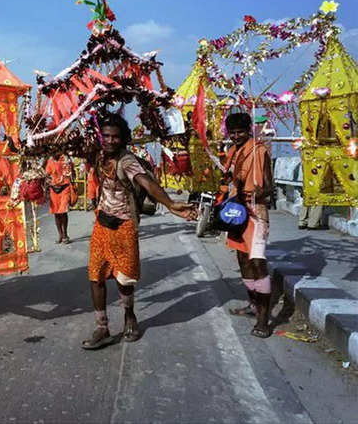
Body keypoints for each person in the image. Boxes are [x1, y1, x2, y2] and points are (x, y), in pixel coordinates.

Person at [82, 114, 196, 350]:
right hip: (101, 225)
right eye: (106, 136)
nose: (110, 141)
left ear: (123, 139)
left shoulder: (127, 161)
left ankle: (129, 316)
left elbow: (146, 182)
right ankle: (102, 327)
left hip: (123, 227)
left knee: (124, 279)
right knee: (96, 277)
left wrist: (170, 204)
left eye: (115, 137)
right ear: (99, 137)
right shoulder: (97, 154)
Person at [223, 112, 274, 338]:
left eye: (240, 132)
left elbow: (269, 186)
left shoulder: (259, 150)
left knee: (257, 263)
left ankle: (264, 320)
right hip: (236, 212)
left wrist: (250, 192)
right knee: (242, 259)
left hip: (255, 213)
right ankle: (253, 306)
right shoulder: (232, 152)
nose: (236, 136)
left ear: (249, 130)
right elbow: (228, 179)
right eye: (232, 133)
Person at [45, 154, 75, 244]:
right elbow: (47, 174)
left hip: (65, 187)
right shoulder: (50, 161)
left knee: (63, 211)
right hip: (54, 189)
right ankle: (60, 235)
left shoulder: (66, 160)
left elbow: (70, 172)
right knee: (56, 212)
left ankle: (65, 234)